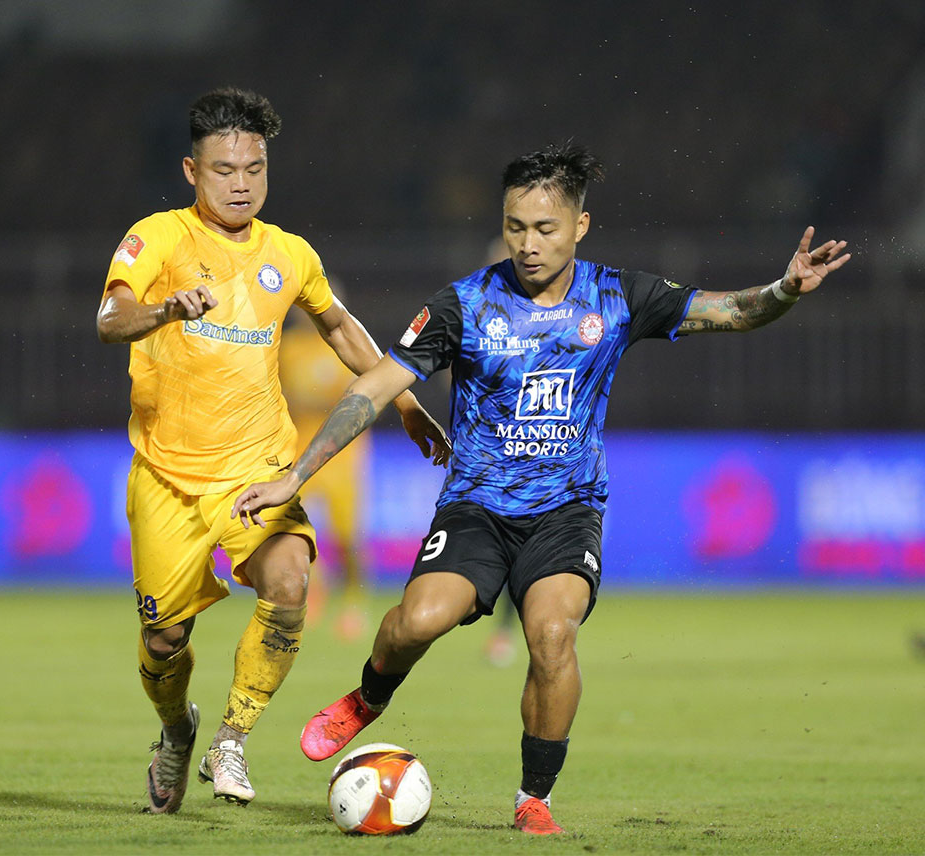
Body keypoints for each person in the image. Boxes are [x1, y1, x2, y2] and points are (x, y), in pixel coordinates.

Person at [230, 143, 851, 834]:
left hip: (568, 511)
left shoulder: (618, 296)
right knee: (417, 623)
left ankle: (534, 798)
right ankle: (370, 696)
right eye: (516, 226)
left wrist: (785, 289)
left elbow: (732, 311)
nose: (528, 244)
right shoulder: (464, 304)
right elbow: (376, 384)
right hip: (475, 508)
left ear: (580, 227)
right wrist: (297, 472)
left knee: (552, 635)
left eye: (545, 229)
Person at [96, 87, 450, 815]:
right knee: (164, 639)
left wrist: (406, 402)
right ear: (192, 171)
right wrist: (164, 308)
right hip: (169, 476)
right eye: (225, 169)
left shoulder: (289, 253)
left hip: (258, 465)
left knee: (290, 582)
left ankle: (233, 736)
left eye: (255, 168)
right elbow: (110, 317)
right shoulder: (157, 237)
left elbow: (343, 329)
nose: (241, 183)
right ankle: (175, 730)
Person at [279, 301, 371, 640]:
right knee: (295, 527)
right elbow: (280, 395)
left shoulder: (343, 344)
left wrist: (312, 400)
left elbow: (357, 396)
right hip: (301, 447)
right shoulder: (287, 348)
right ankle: (313, 591)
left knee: (348, 535)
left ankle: (354, 600)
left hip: (343, 450)